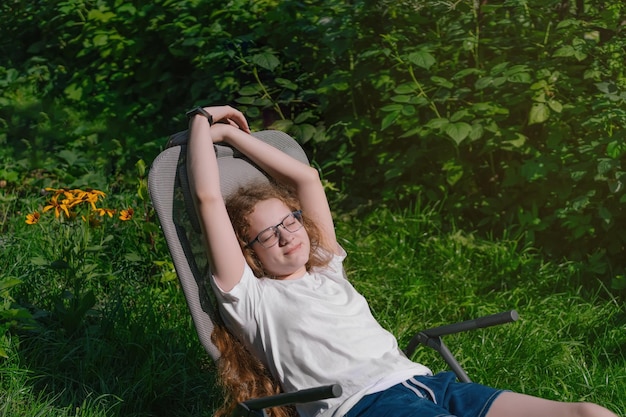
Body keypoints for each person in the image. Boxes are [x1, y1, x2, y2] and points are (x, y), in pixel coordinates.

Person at [186, 105, 618, 417]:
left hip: (429, 385)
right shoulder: (252, 297)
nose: (286, 235)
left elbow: (306, 178)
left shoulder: (325, 264)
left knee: (588, 412)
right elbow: (208, 198)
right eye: (267, 234)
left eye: (290, 221)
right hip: (364, 404)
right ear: (251, 255)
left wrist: (235, 136)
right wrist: (204, 122)